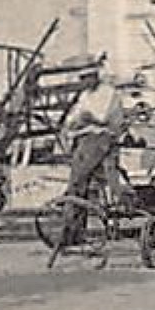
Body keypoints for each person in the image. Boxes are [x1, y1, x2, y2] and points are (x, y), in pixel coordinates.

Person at [59, 65, 127, 245]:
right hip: (86, 139)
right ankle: (74, 230)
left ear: (94, 76)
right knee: (77, 186)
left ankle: (71, 230)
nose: (83, 83)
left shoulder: (108, 93)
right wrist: (78, 121)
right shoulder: (85, 95)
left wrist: (84, 119)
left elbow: (101, 118)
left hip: (101, 138)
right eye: (81, 79)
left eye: (85, 79)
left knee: (77, 182)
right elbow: (73, 118)